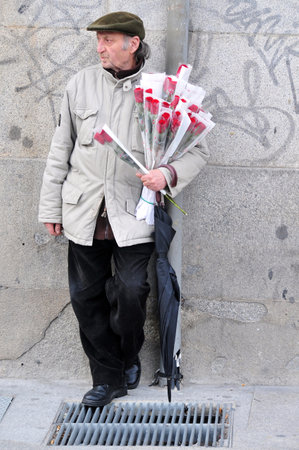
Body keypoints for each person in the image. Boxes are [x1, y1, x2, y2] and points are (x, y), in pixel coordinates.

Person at [38, 11, 209, 407]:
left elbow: (198, 150)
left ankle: (128, 354)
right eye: (98, 40)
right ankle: (108, 377)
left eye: (108, 40)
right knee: (85, 297)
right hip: (83, 210)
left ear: (132, 44)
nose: (100, 47)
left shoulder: (160, 91)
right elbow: (59, 149)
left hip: (133, 213)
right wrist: (51, 207)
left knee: (131, 292)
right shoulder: (79, 84)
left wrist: (167, 173)